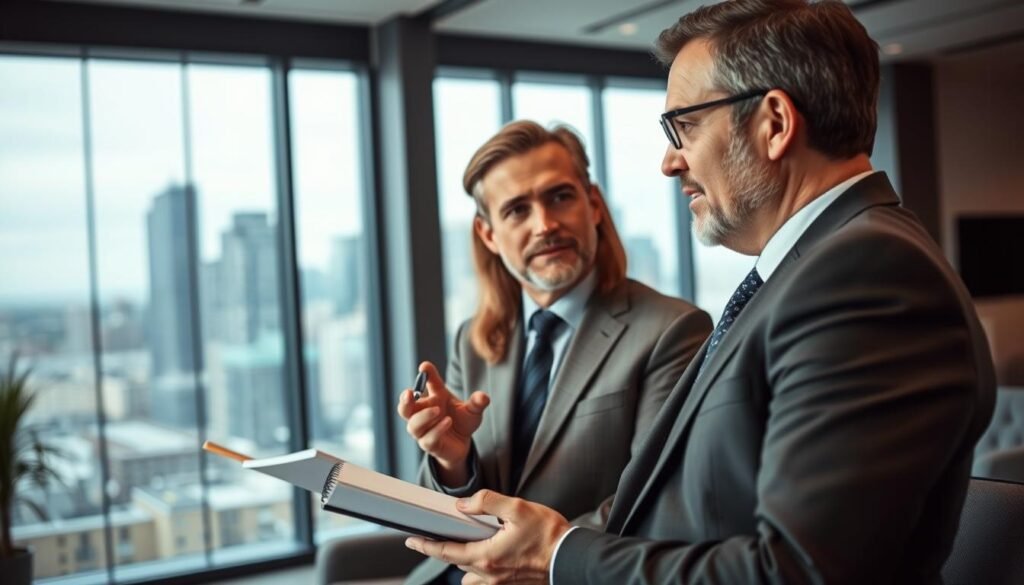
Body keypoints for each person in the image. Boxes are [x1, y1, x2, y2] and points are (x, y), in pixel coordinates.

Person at [403, 1, 997, 583]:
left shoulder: (866, 275)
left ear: (774, 124)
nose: (669, 162)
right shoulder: (808, 271)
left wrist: (556, 556)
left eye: (683, 126)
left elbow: (796, 571)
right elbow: (674, 497)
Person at [397, 121, 712, 585]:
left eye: (560, 197)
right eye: (517, 210)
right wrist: (452, 460)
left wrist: (534, 559)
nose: (544, 224)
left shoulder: (672, 330)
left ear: (594, 205)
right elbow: (447, 510)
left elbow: (654, 500)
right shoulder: (473, 339)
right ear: (488, 235)